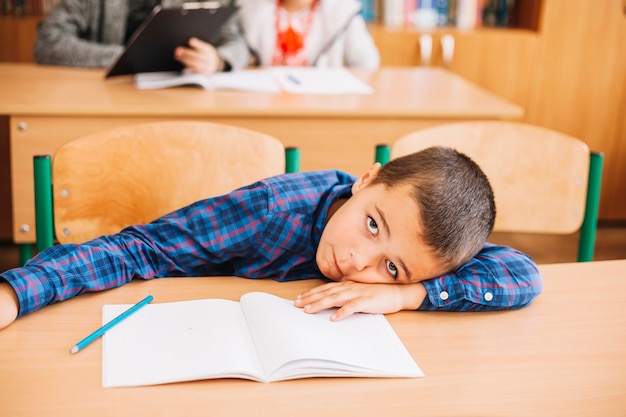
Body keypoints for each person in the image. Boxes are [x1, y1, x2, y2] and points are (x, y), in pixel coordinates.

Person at [0, 146, 543, 330]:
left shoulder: (422, 256)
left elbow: (523, 274)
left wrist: (407, 294)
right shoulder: (274, 209)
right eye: (372, 224)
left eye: (391, 266)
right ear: (368, 179)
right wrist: (15, 293)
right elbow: (137, 248)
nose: (358, 261)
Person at [33, 0, 250, 73]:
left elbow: (238, 43)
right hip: (106, 102)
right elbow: (48, 41)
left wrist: (218, 61)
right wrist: (128, 57)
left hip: (180, 104)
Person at [235, 0, 380, 70]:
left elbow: (367, 64)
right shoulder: (249, 10)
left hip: (323, 107)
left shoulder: (343, 11)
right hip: (266, 104)